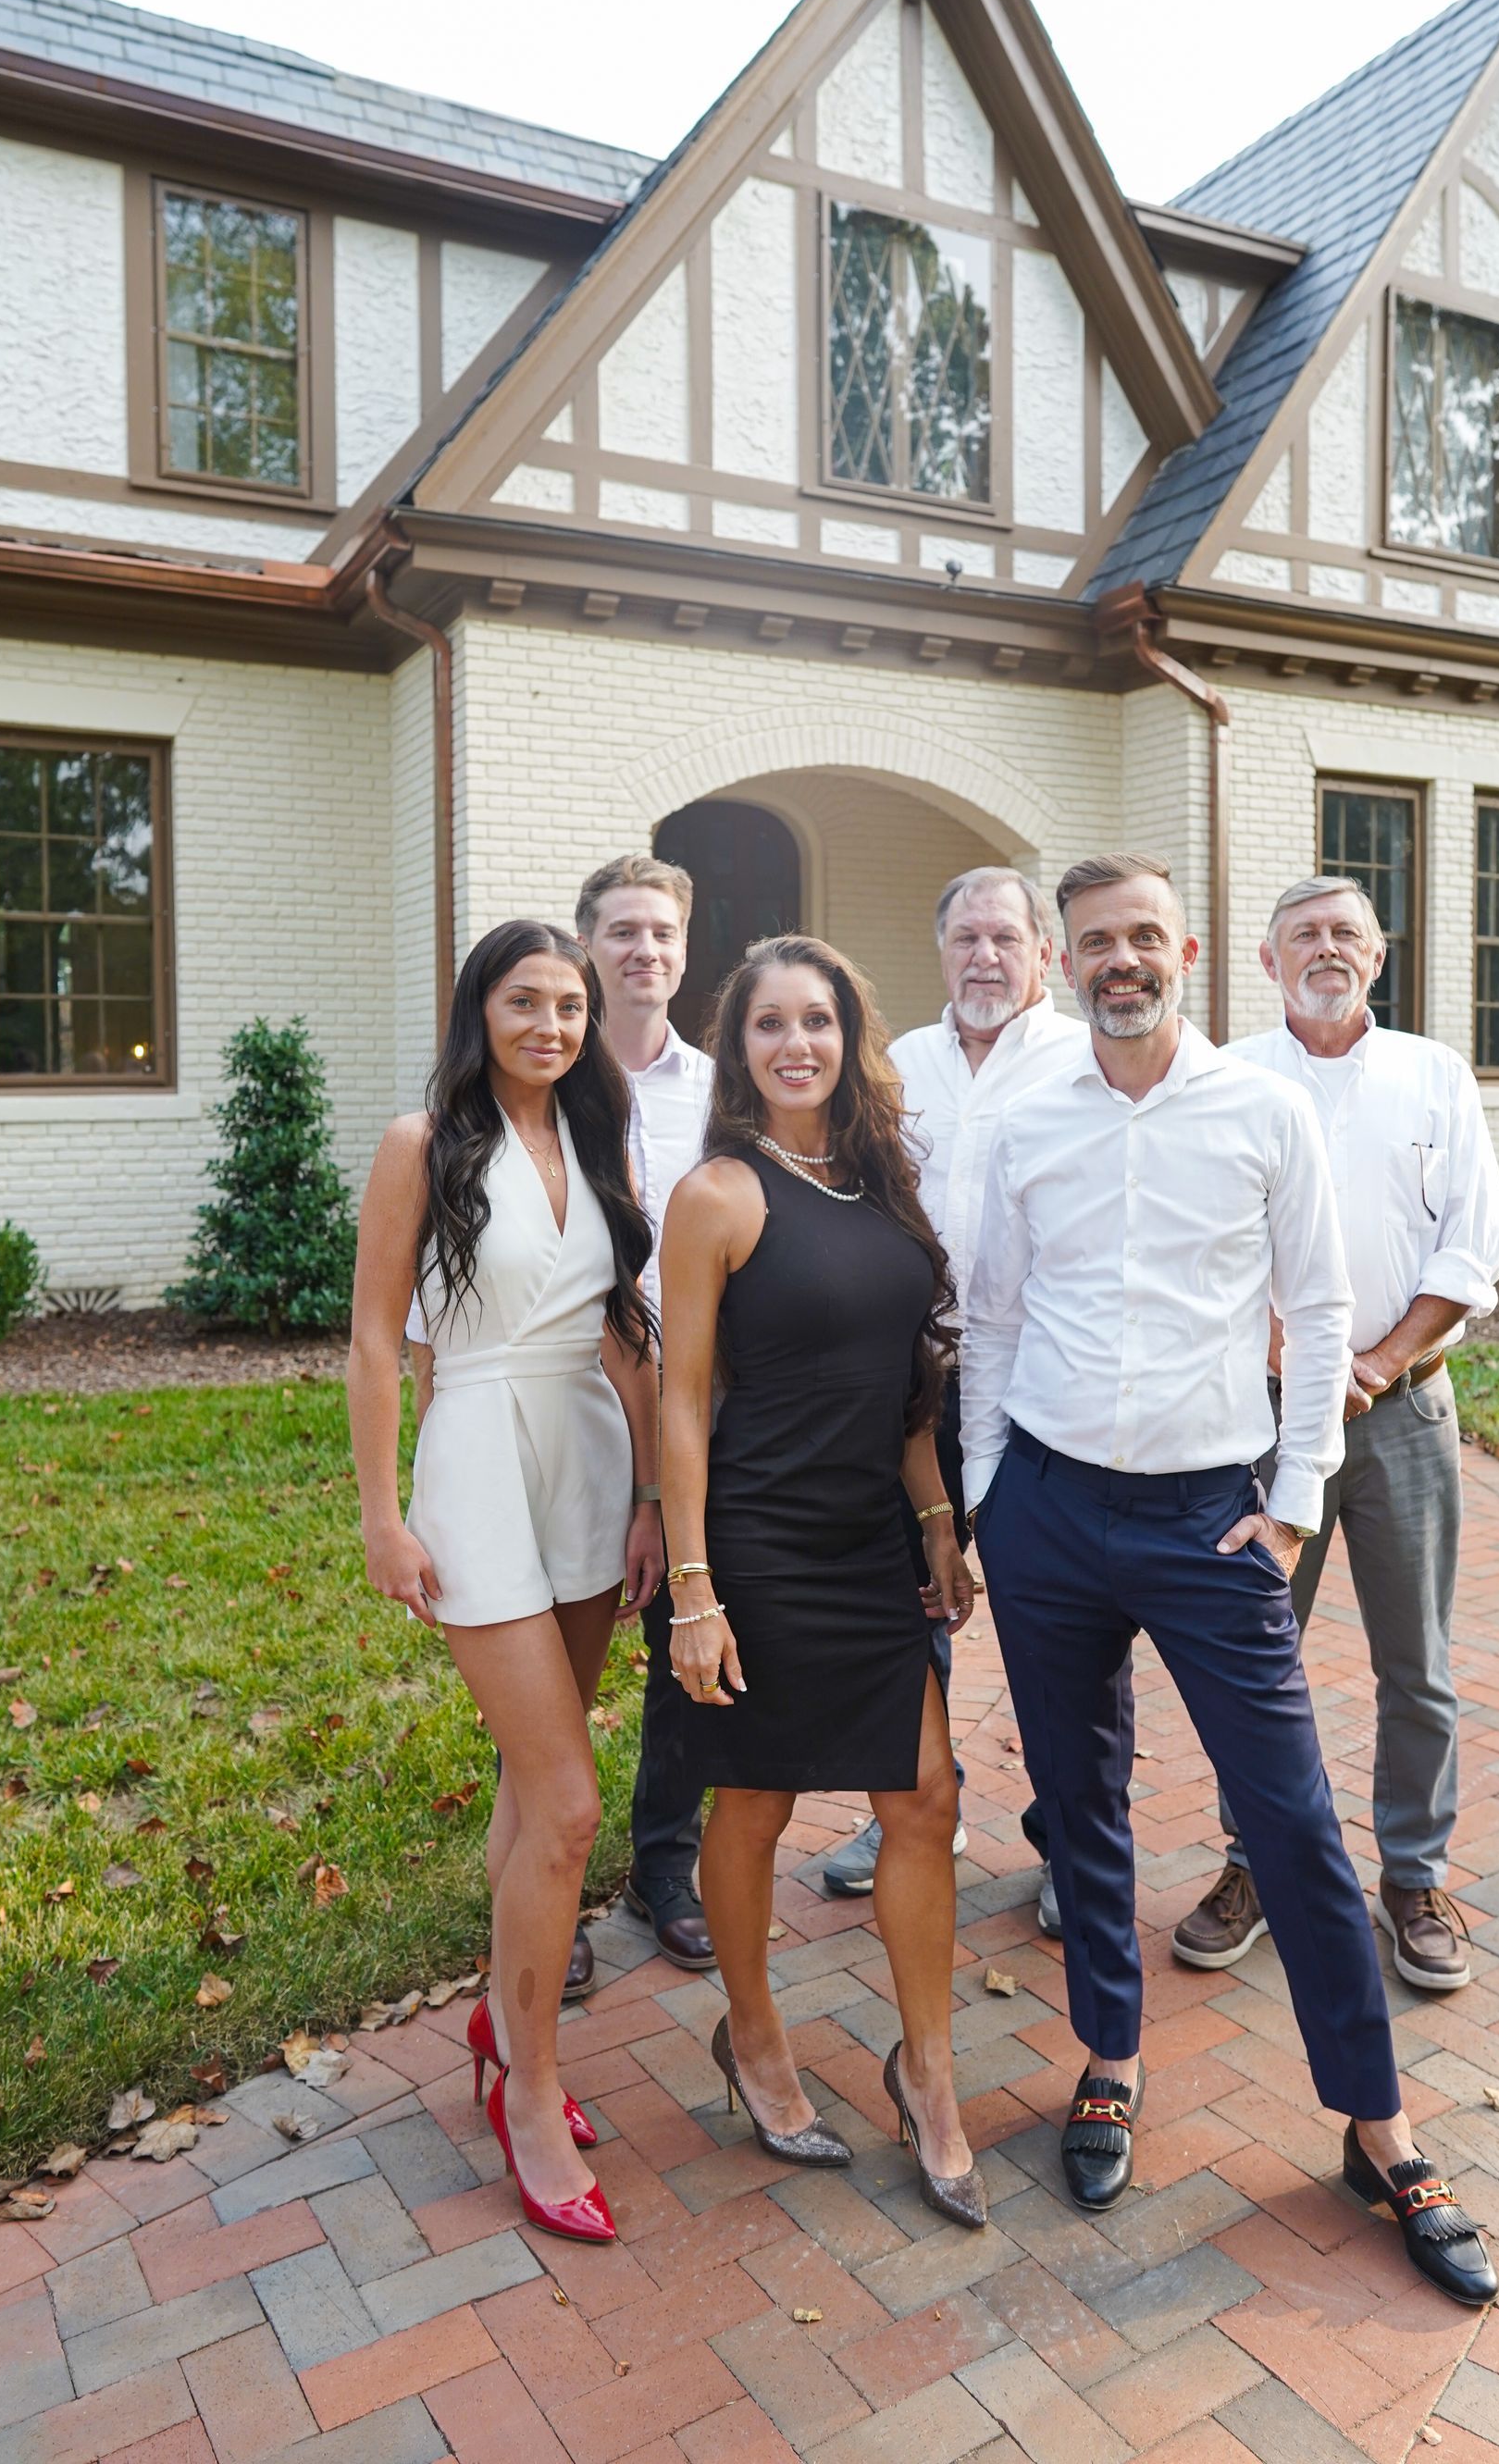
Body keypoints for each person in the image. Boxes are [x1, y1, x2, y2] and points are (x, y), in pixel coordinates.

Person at [963, 855, 1496, 2304]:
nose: (1120, 961)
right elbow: (997, 1316)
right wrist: (986, 1495)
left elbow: (1321, 1313)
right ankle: (1112, 2060)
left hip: (1213, 1518)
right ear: (1066, 963)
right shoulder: (1027, 1121)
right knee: (1082, 1805)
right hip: (1053, 1517)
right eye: (1095, 943)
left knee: (1293, 1820)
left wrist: (1289, 1505)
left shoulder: (1260, 1110)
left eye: (1143, 937)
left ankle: (1377, 2127)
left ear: (1188, 952)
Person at [658, 935, 985, 2227]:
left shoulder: (878, 1179)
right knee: (753, 1806)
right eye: (768, 1026)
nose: (797, 1043)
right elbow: (683, 1402)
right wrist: (693, 1588)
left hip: (867, 1540)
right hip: (755, 1542)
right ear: (738, 1052)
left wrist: (939, 1524)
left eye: (819, 1020)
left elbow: (905, 1386)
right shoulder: (720, 1195)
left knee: (927, 1797)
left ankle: (929, 2069)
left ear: (852, 1036)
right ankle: (751, 2035)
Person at [347, 920, 663, 2246]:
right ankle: (528, 2086)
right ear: (480, 1009)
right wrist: (379, 1514)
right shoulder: (422, 1144)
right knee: (575, 1805)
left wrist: (652, 1500)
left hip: (586, 1461)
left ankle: (499, 2007)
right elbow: (372, 1336)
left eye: (571, 1004)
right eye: (525, 1000)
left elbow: (621, 1334)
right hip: (477, 1457)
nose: (550, 1024)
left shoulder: (595, 1140)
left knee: (536, 1788)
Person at [1174, 875, 1499, 1991]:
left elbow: (1473, 1249)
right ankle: (1253, 1865)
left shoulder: (1435, 1077)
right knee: (1253, 1656)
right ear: (1268, 962)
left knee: (1416, 1660)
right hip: (1261, 1423)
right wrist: (1299, 1359)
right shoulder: (1225, 1080)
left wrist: (1369, 1364)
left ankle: (1413, 1877)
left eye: (1346, 935)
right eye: (1304, 935)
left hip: (1405, 1411)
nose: (1326, 950)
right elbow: (1211, 1248)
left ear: (1378, 956)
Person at [812, 868, 1085, 1916]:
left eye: (1004, 939)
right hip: (906, 1384)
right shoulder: (894, 1069)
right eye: (965, 938)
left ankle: (1069, 1843)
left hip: (1035, 1383)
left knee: (1051, 1623)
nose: (983, 958)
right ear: (939, 951)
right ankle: (917, 1807)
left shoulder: (1082, 1062)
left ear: (1042, 956)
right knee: (903, 1607)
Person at [576, 852, 717, 1975]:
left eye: (662, 933)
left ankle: (662, 1866)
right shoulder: (543, 1080)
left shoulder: (723, 1092)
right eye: (624, 931)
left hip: (688, 1403)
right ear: (590, 945)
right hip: (563, 1408)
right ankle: (540, 1890)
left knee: (682, 1647)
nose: (644, 951)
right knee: (552, 1658)